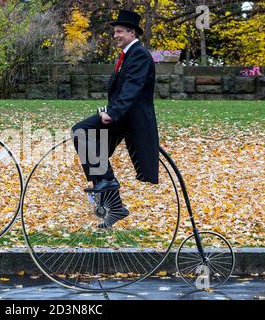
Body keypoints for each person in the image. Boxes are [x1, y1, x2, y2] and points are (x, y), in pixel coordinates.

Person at [71, 10, 160, 229]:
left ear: (132, 32)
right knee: (88, 141)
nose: (115, 36)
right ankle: (114, 203)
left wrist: (112, 113)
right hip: (122, 116)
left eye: (119, 32)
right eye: (115, 32)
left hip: (129, 119)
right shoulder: (127, 55)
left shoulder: (138, 54)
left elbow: (132, 88)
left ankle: (105, 181)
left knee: (81, 131)